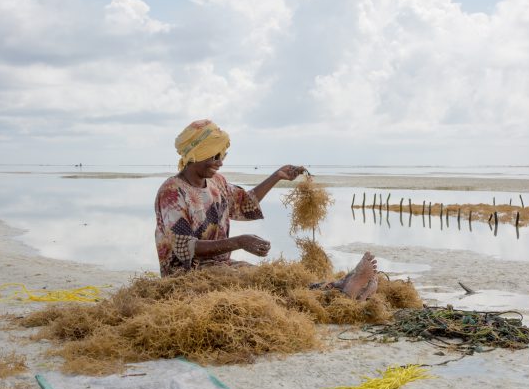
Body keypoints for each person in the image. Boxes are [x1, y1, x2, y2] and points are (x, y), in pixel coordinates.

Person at [154, 119, 378, 300]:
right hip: (187, 276)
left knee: (272, 278)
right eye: (215, 155)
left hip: (221, 268)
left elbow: (244, 203)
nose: (220, 162)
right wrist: (239, 242)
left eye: (223, 155)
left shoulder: (216, 183)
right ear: (197, 153)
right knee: (263, 287)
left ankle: (342, 288)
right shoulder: (173, 192)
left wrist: (276, 177)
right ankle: (340, 290)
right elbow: (186, 247)